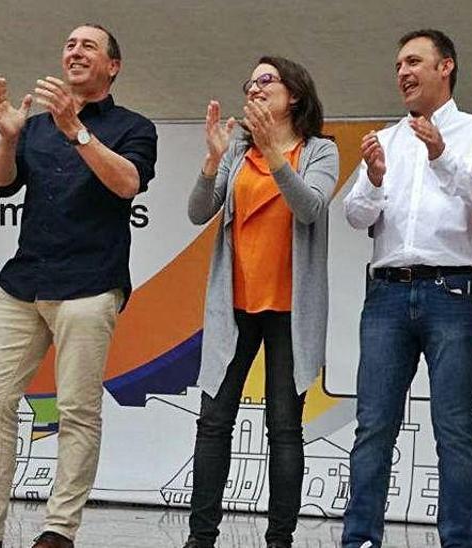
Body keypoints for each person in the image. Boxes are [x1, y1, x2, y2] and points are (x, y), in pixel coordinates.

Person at [0, 23, 157, 548]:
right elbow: (0, 184)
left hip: (92, 285)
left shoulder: (133, 127)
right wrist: (7, 137)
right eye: (69, 43)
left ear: (112, 66)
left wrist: (78, 132)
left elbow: (127, 184)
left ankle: (58, 531)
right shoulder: (37, 125)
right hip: (22, 283)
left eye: (88, 45)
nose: (74, 50)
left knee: (75, 411)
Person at [341, 29, 472, 548]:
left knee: (454, 427)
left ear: (446, 67)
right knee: (373, 425)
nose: (403, 73)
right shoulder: (386, 139)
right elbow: (354, 214)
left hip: (454, 292)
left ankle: (460, 541)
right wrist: (371, 176)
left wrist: (441, 157)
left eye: (414, 61)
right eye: (398, 66)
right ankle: (359, 539)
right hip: (387, 293)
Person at [182, 56, 338, 548]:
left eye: (266, 81)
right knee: (213, 422)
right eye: (250, 83)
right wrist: (212, 162)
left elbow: (310, 208)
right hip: (235, 306)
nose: (255, 89)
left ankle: (279, 540)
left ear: (293, 93)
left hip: (291, 309)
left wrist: (274, 155)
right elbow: (197, 212)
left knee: (284, 428)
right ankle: (200, 538)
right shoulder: (236, 153)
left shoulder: (321, 151)